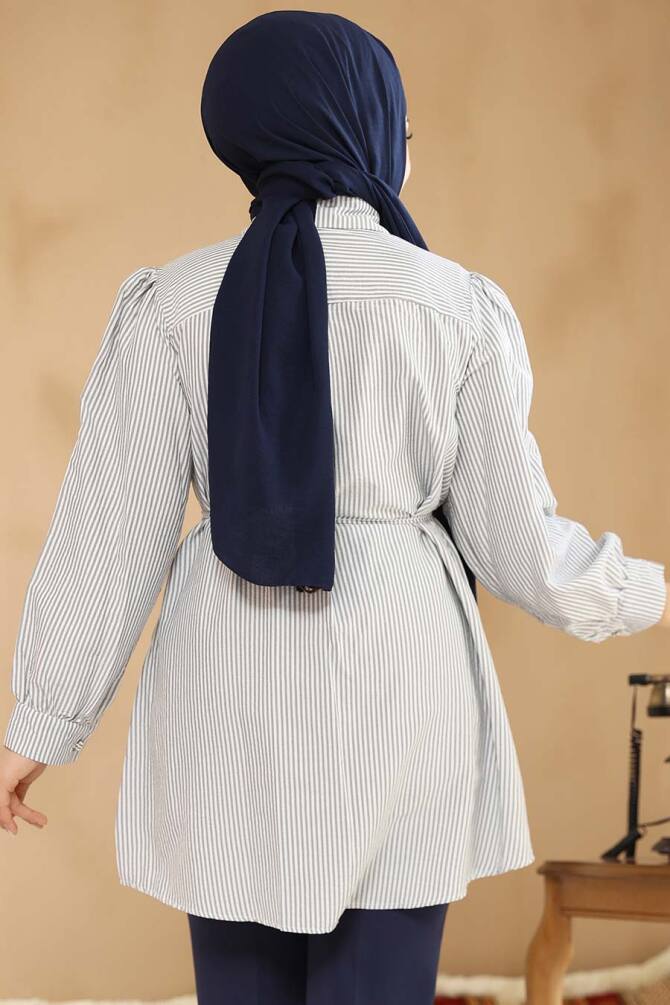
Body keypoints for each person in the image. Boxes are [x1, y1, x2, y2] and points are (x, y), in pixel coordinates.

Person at [1, 10, 668, 1005]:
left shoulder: (171, 305)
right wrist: (647, 592)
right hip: (402, 678)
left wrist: (39, 728)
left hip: (225, 681)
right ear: (362, 124)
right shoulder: (455, 306)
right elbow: (517, 545)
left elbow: (109, 535)